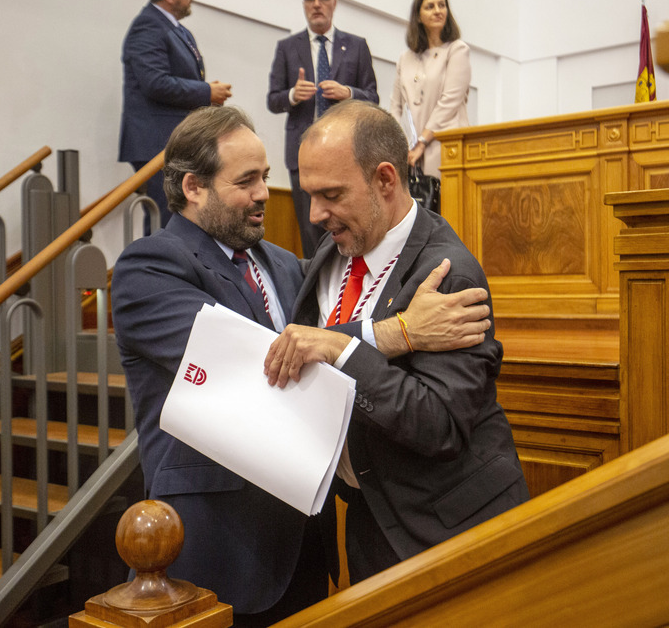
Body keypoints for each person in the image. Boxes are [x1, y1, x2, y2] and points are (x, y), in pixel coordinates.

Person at [111, 105, 493, 624]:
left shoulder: (291, 265)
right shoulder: (148, 268)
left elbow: (317, 357)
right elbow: (255, 364)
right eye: (246, 180)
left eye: (265, 177)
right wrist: (394, 332)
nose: (266, 193)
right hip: (215, 545)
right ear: (194, 187)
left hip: (304, 545)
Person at [265, 100, 529, 585]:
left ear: (385, 179)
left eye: (331, 194)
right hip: (371, 517)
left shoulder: (448, 274)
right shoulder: (336, 247)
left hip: (448, 527)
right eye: (309, 194)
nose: (315, 213)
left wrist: (341, 351)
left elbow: (440, 424)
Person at [267, 0, 378, 258]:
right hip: (303, 154)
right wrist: (293, 94)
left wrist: (348, 92)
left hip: (348, 151)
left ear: (334, 3)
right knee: (311, 229)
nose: (317, 4)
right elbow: (273, 99)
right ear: (304, 4)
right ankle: (317, 293)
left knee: (348, 224)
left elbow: (373, 97)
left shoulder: (356, 46)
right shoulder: (287, 48)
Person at [118, 0, 232, 232]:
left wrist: (206, 91)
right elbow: (155, 83)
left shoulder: (176, 29)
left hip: (173, 142)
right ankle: (159, 273)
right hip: (155, 143)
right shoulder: (147, 26)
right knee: (166, 219)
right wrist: (206, 91)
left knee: (181, 218)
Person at [389, 0, 470, 179]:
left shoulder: (457, 50)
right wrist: (403, 145)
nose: (437, 11)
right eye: (430, 6)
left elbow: (450, 101)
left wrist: (423, 142)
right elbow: (396, 106)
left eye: (442, 5)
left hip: (444, 145)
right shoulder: (405, 58)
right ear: (418, 16)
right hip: (409, 153)